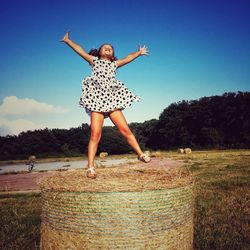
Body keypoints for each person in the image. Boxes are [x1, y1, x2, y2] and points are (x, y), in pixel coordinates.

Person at [61, 31, 151, 178]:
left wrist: (138, 53)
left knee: (125, 130)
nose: (108, 48)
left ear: (113, 54)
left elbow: (128, 58)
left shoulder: (115, 64)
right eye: (105, 47)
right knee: (95, 135)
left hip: (112, 99)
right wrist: (68, 41)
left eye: (111, 48)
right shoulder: (93, 61)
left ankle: (140, 154)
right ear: (100, 52)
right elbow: (80, 50)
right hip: (97, 100)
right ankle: (90, 167)